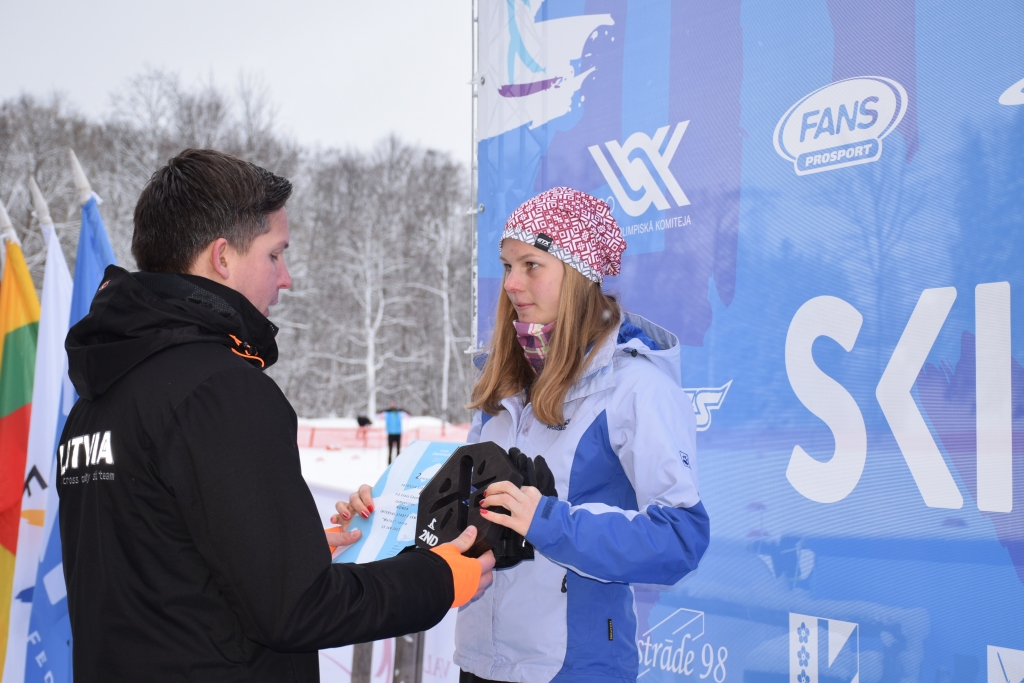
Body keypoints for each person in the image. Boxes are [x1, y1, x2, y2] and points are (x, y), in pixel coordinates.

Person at [56, 149, 494, 682]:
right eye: (274, 255)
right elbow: (296, 609)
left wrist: (283, 546)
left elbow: (159, 565)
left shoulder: (99, 392)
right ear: (222, 257)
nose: (286, 279)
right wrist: (437, 578)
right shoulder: (220, 389)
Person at [349, 187, 710, 682]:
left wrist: (546, 520)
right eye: (506, 266)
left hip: (573, 668)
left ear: (580, 275)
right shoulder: (506, 384)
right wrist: (389, 516)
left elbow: (681, 539)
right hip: (480, 660)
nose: (512, 284)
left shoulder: (635, 387)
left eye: (532, 265)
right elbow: (468, 514)